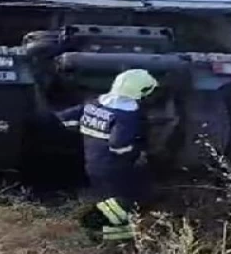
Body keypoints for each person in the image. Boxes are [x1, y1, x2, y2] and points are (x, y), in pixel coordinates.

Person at [55, 69, 159, 242]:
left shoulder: (94, 103)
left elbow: (64, 119)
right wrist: (138, 153)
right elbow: (119, 145)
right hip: (115, 167)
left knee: (109, 199)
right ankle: (93, 226)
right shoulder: (127, 115)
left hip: (93, 164)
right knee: (129, 198)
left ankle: (112, 236)